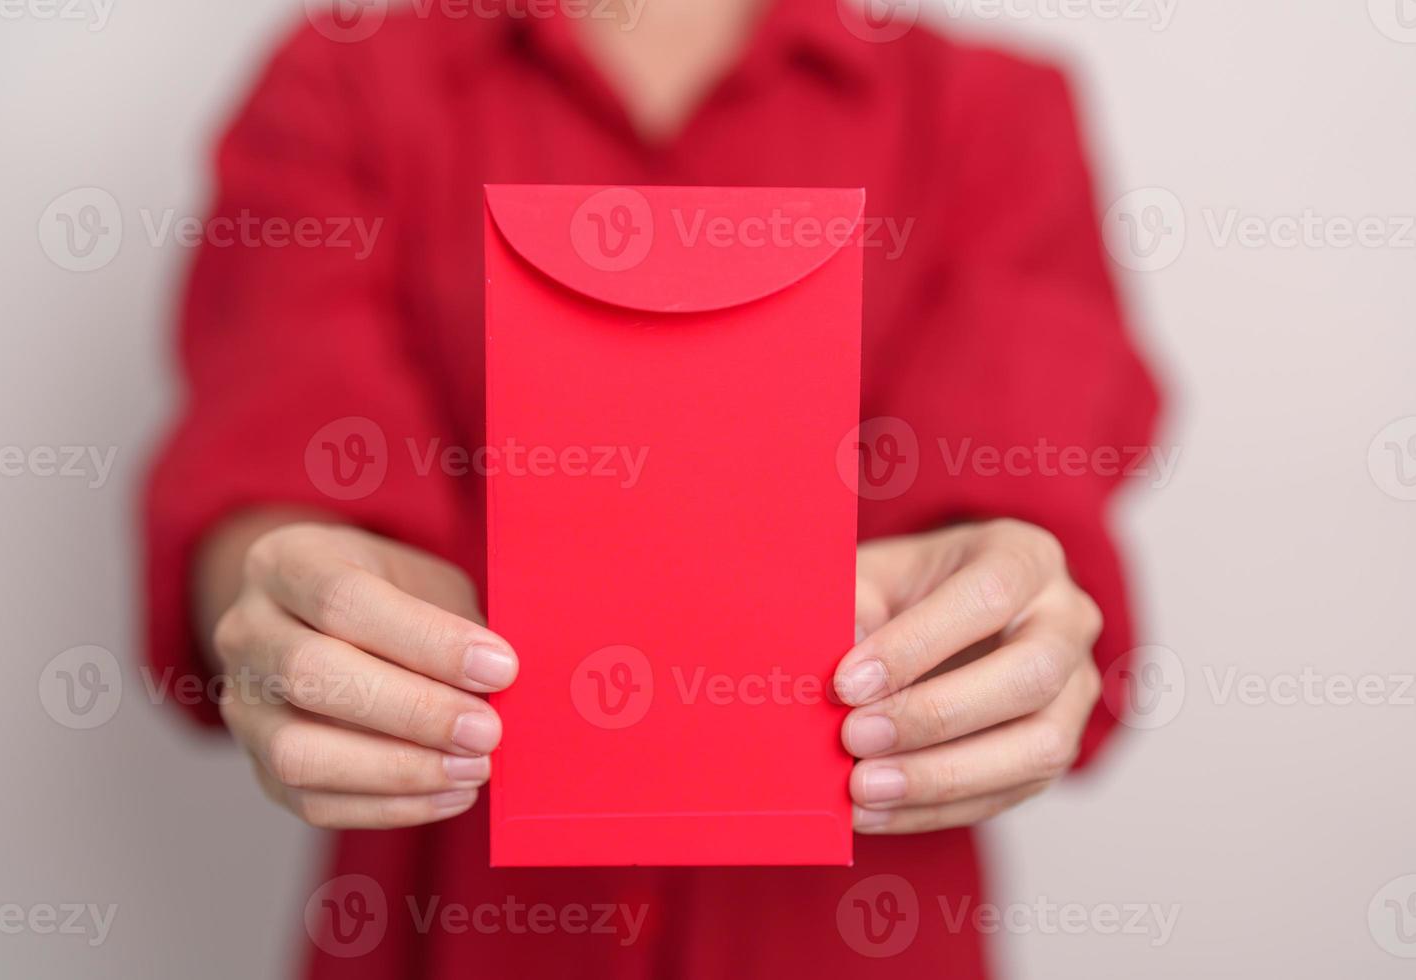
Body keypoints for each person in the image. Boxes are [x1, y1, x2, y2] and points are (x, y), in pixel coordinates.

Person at [143, 0, 1160, 975]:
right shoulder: (347, 78)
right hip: (454, 931)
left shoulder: (987, 110)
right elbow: (276, 442)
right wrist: (286, 604)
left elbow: (1019, 481)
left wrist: (1000, 623)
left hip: (847, 938)